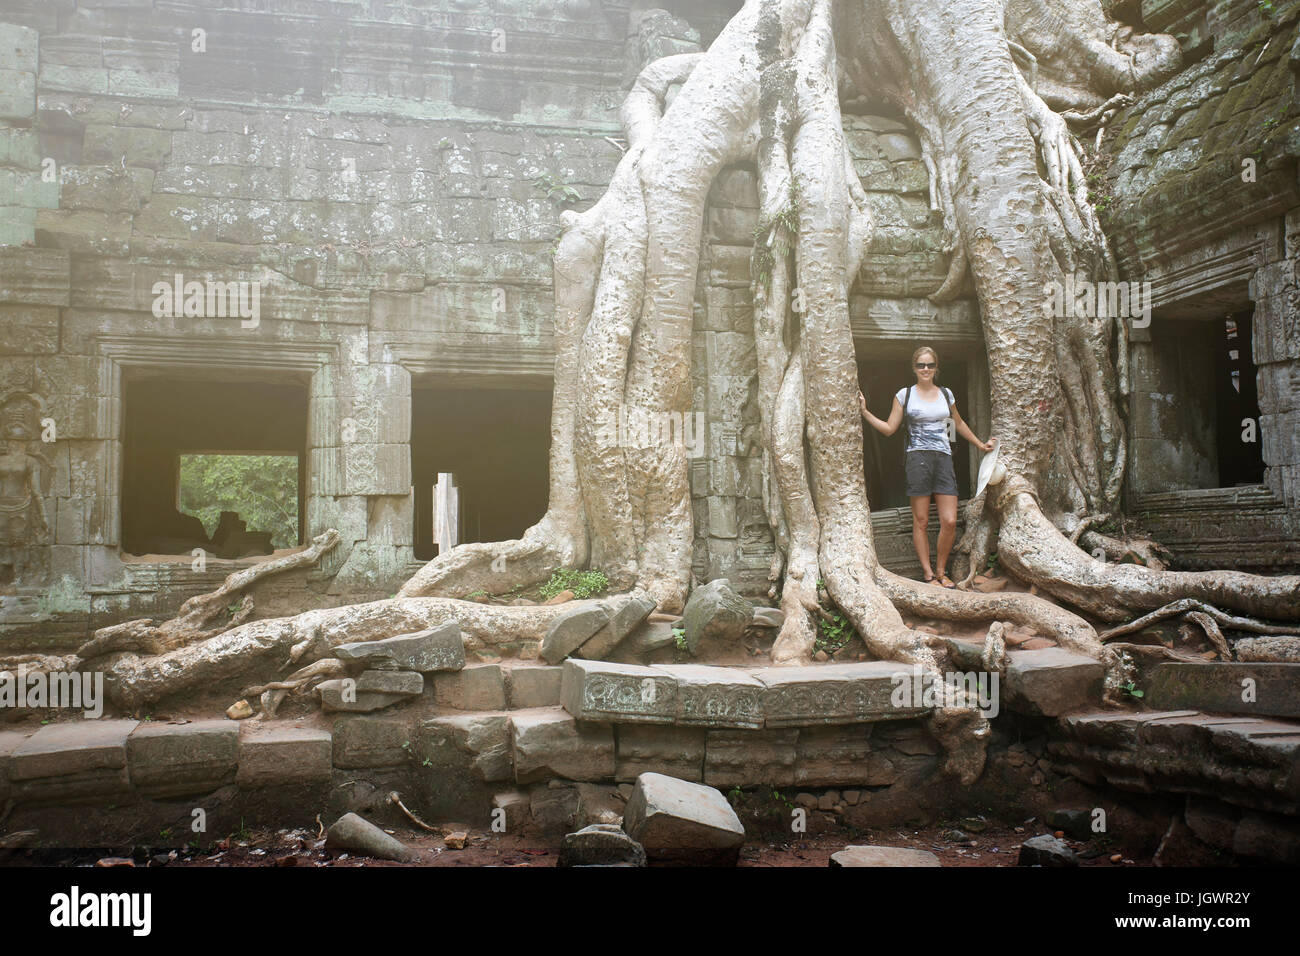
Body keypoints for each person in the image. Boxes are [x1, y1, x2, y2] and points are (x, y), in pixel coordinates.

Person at [858, 346, 993, 588]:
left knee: (949, 520)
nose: (926, 369)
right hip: (917, 459)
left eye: (930, 365)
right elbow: (890, 429)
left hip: (943, 458)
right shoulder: (904, 395)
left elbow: (958, 423)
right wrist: (865, 412)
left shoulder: (946, 394)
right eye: (921, 365)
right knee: (920, 520)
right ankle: (929, 575)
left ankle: (942, 571)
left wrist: (980, 445)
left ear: (936, 368)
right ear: (914, 368)